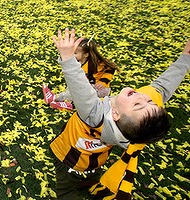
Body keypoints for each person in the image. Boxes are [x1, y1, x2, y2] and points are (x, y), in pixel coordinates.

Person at [49, 28, 189, 199]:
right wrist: (185, 58)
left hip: (68, 157)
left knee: (66, 191)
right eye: (149, 101)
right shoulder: (133, 126)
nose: (143, 96)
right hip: (97, 159)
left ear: (115, 114)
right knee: (92, 174)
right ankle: (91, 182)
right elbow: (162, 87)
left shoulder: (95, 115)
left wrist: (68, 57)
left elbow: (79, 87)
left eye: (138, 104)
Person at [42, 35, 118, 111]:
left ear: (86, 54)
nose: (72, 55)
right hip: (88, 85)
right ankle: (61, 100)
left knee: (79, 91)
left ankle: (66, 103)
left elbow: (110, 69)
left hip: (100, 89)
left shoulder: (95, 63)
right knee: (74, 88)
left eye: (75, 53)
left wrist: (103, 82)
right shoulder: (78, 62)